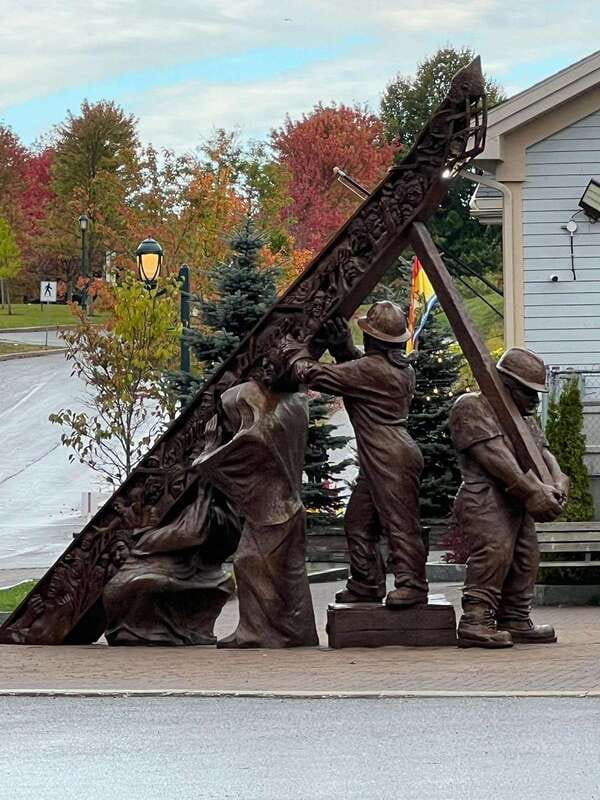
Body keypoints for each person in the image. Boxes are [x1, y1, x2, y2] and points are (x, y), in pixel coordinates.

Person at [284, 301, 428, 608]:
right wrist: (344, 350)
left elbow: (312, 374)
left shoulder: (369, 370)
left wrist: (294, 350)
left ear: (373, 339)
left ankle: (412, 585)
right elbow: (358, 375)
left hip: (388, 457)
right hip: (390, 454)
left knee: (399, 523)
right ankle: (366, 584)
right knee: (359, 524)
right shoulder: (402, 369)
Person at [449, 347, 569, 648]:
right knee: (495, 551)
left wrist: (557, 480)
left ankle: (515, 618)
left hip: (518, 502)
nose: (535, 400)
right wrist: (532, 490)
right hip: (484, 497)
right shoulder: (472, 406)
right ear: (506, 385)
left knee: (526, 557)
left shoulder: (522, 416)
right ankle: (476, 620)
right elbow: (493, 455)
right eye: (529, 393)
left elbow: (541, 451)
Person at [194, 379, 318, 648]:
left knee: (248, 561)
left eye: (230, 418)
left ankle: (261, 632)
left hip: (271, 512)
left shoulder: (256, 440)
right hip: (286, 508)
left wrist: (211, 442)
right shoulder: (294, 406)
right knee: (288, 571)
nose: (228, 426)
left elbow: (210, 467)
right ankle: (294, 630)